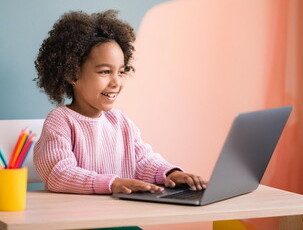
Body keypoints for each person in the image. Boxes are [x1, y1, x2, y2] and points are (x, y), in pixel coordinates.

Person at [33, 10, 206, 194]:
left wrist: (170, 173)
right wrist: (113, 183)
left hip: (118, 216)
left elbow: (143, 161)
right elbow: (59, 175)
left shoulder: (120, 121)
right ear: (72, 74)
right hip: (77, 220)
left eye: (121, 72)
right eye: (105, 72)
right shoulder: (61, 121)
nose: (116, 82)